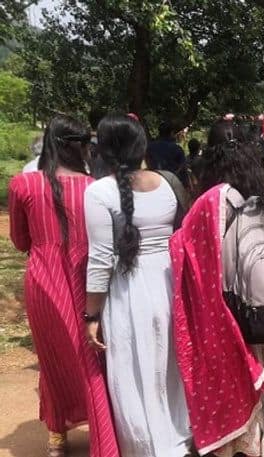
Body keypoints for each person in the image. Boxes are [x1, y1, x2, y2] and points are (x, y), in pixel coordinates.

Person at [174, 130, 264, 457]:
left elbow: (202, 262)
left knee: (244, 385)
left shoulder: (214, 204)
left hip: (235, 316)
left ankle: (246, 447)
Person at [9, 115, 118, 457]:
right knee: (93, 358)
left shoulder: (22, 185)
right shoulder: (96, 188)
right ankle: (105, 434)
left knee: (52, 358)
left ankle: (57, 437)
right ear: (84, 147)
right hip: (90, 280)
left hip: (43, 282)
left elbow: (19, 240)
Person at [83, 114, 192, 456]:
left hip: (129, 289)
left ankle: (147, 445)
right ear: (142, 144)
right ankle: (180, 437)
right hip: (169, 281)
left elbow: (100, 260)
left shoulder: (99, 192)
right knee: (171, 363)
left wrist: (91, 315)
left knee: (134, 367)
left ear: (102, 149)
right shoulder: (170, 182)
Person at [145, 119, 188, 186]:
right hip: (171, 184)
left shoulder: (149, 147)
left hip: (152, 183)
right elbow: (183, 169)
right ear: (171, 133)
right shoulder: (177, 149)